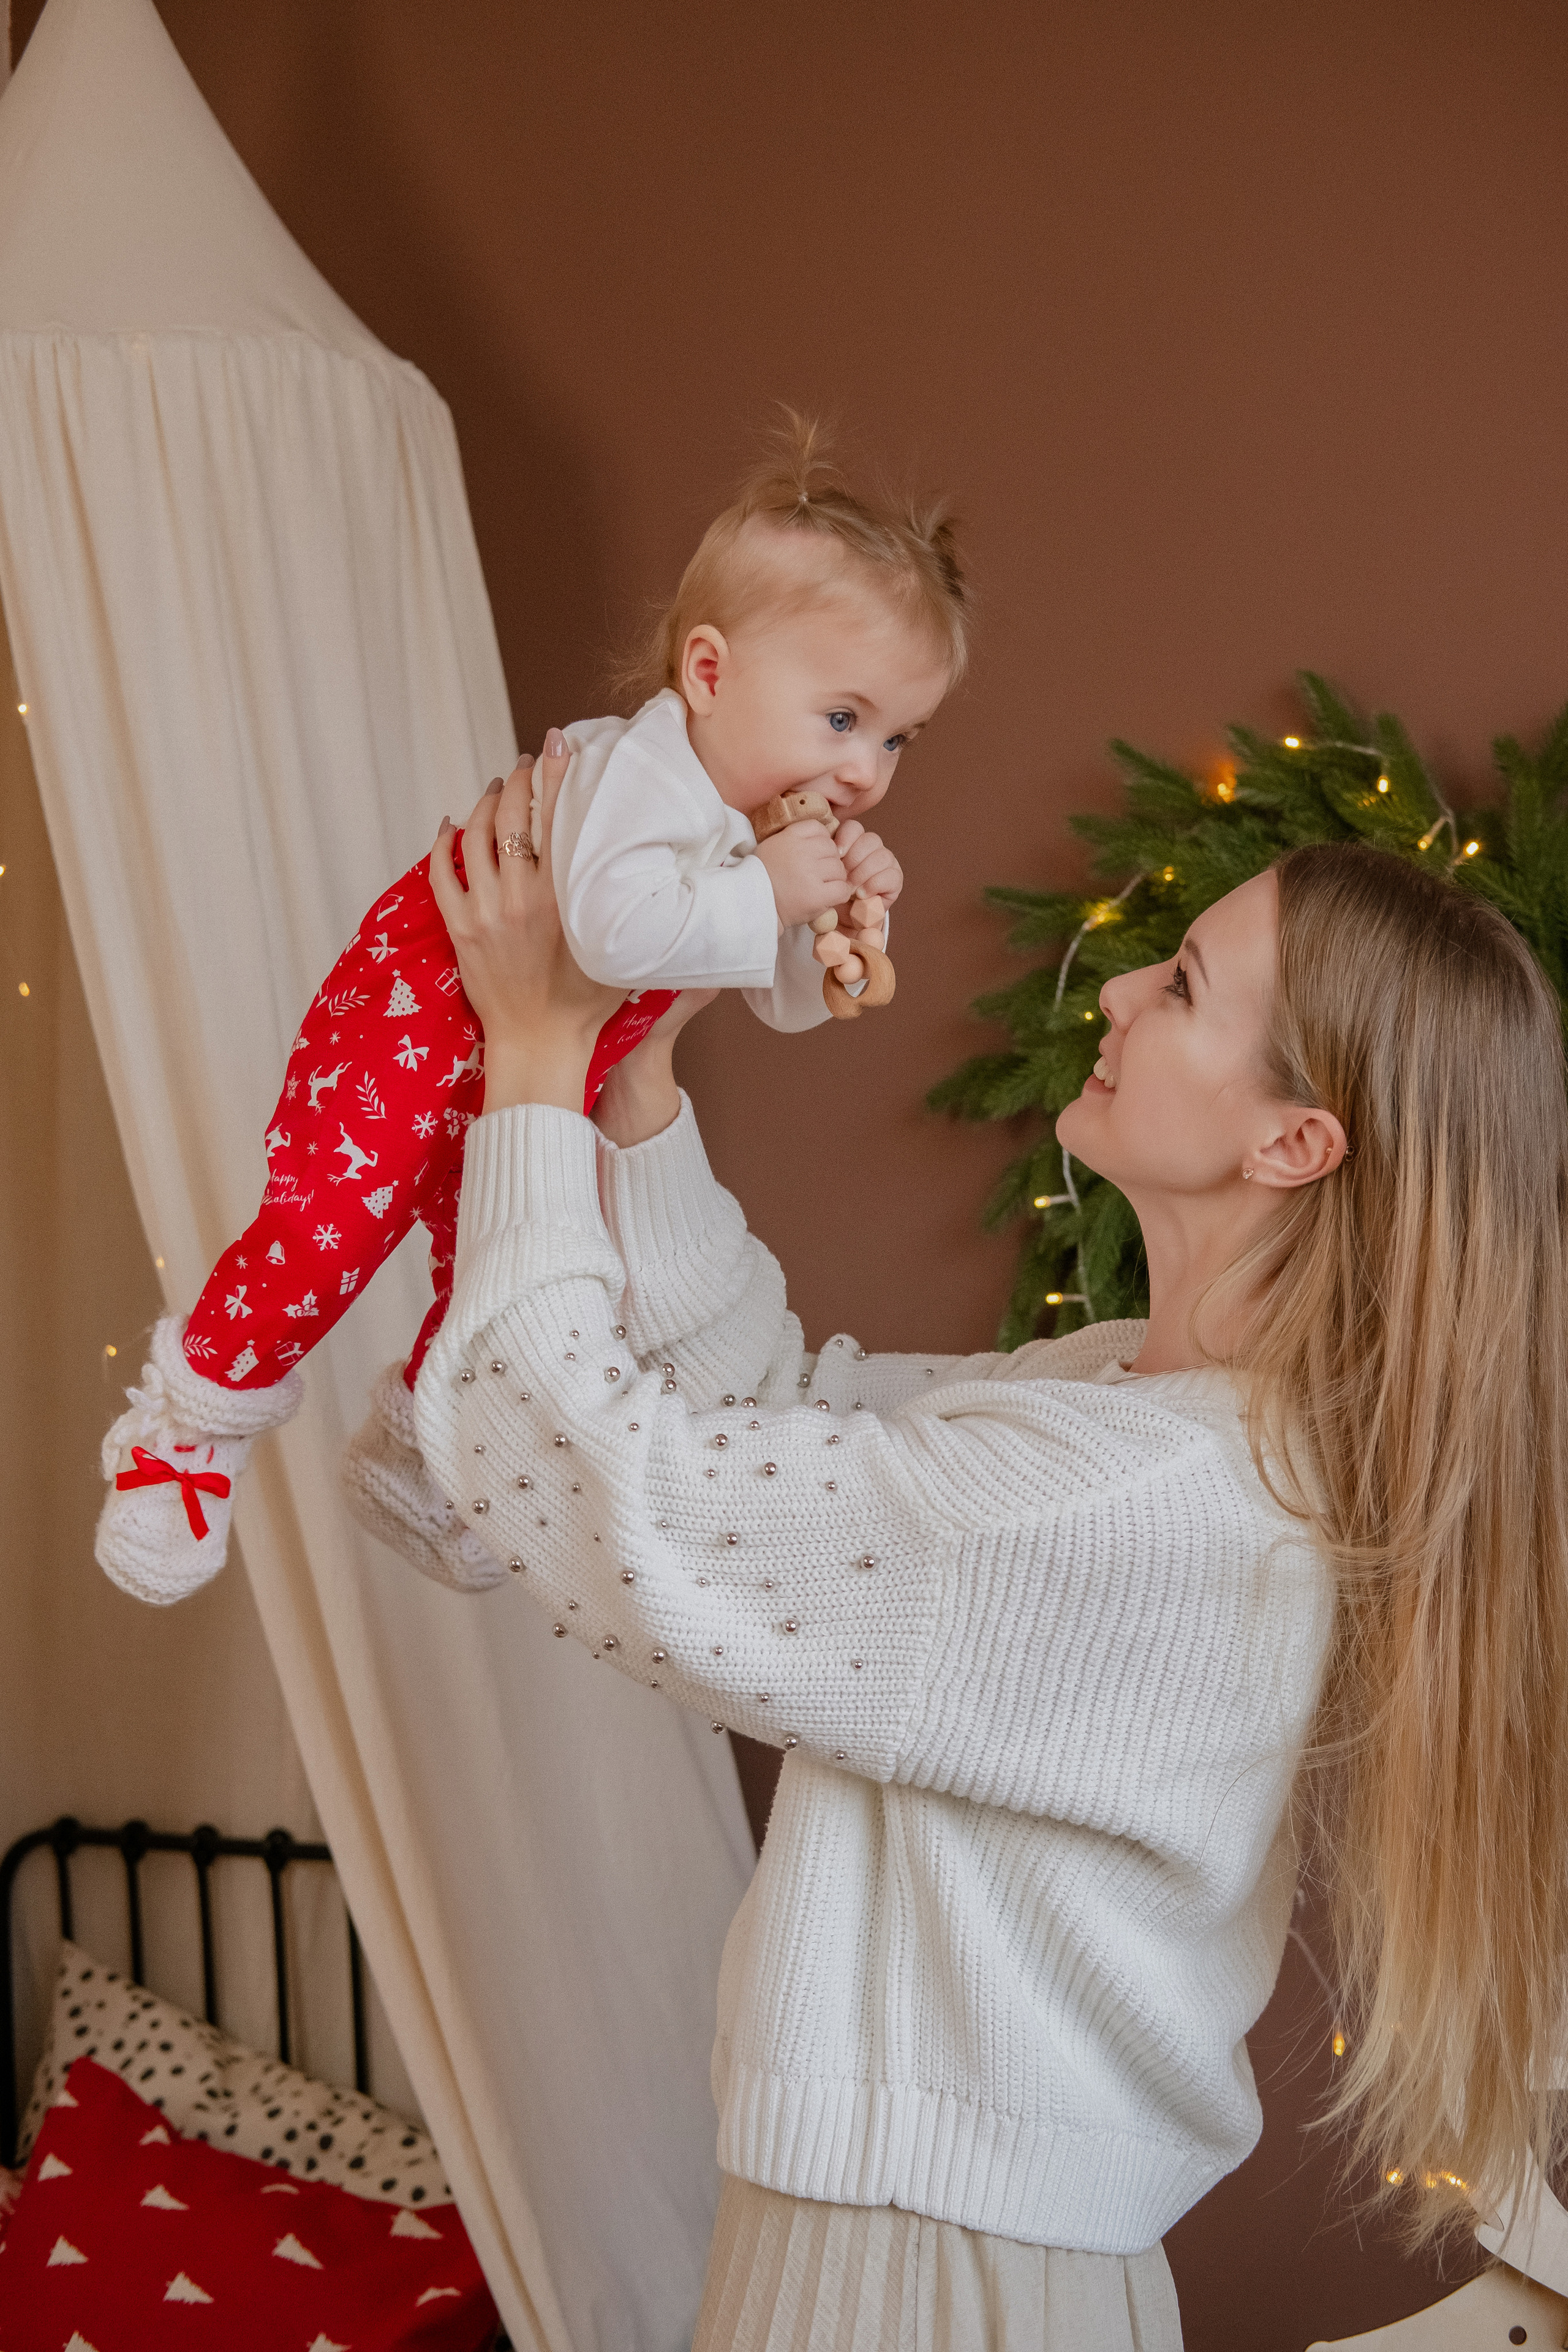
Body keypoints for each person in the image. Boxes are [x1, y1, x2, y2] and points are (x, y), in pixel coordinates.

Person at [407, 745, 1568, 2350]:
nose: (1117, 1001)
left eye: (1182, 987)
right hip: (919, 2260)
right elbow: (775, 1421)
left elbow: (626, 1501)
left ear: (1297, 1141)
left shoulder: (1127, 1499)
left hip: (927, 2290)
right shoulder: (1130, 1410)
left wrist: (525, 1072)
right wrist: (633, 1092)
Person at [92, 420, 965, 1606]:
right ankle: (185, 1424)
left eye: (896, 737)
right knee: (331, 1229)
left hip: (520, 1075)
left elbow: (771, 998)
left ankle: (428, 1455)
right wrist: (768, 888)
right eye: (843, 719)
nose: (864, 770)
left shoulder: (746, 823)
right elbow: (609, 930)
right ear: (707, 674)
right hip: (409, 1024)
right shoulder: (641, 771)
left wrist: (826, 938)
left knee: (509, 1263)